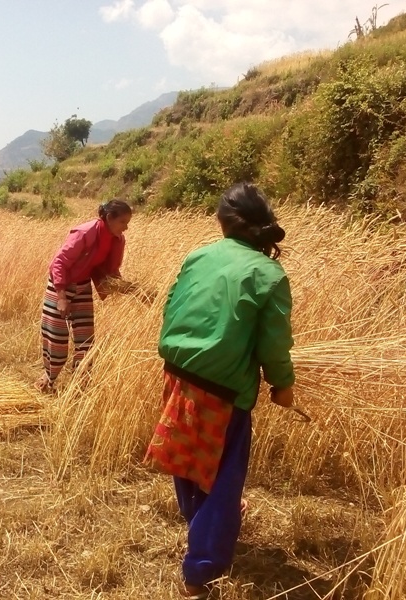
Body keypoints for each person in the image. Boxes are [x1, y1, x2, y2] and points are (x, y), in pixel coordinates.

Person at [145, 183, 295, 599]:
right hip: (224, 387)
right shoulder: (268, 273)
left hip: (177, 371)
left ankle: (199, 518)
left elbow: (172, 304)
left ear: (222, 222)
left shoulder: (199, 255)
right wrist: (282, 383)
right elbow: (274, 342)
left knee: (189, 456)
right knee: (223, 475)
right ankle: (200, 572)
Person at [36, 199, 133, 393]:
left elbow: (111, 270)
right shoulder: (85, 233)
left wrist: (130, 288)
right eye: (122, 222)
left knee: (86, 340)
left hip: (82, 286)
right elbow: (59, 263)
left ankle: (79, 387)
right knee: (57, 338)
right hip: (60, 286)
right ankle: (49, 379)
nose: (126, 227)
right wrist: (62, 296)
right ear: (108, 218)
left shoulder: (117, 240)